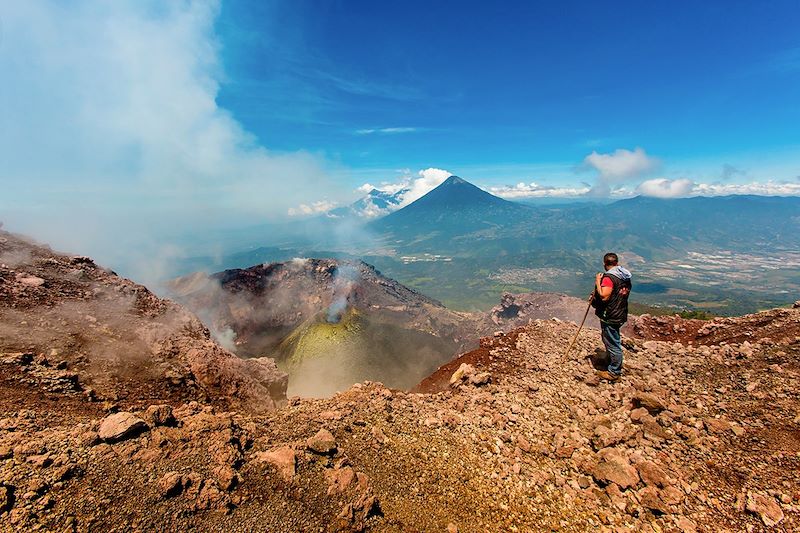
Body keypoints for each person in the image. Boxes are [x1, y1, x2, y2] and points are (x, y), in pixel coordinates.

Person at [591, 252, 632, 381]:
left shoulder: (609, 278)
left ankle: (614, 372)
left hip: (610, 314)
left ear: (605, 264)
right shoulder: (624, 277)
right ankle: (610, 361)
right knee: (611, 339)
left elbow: (604, 295)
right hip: (620, 312)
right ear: (617, 263)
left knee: (612, 342)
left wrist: (598, 282)